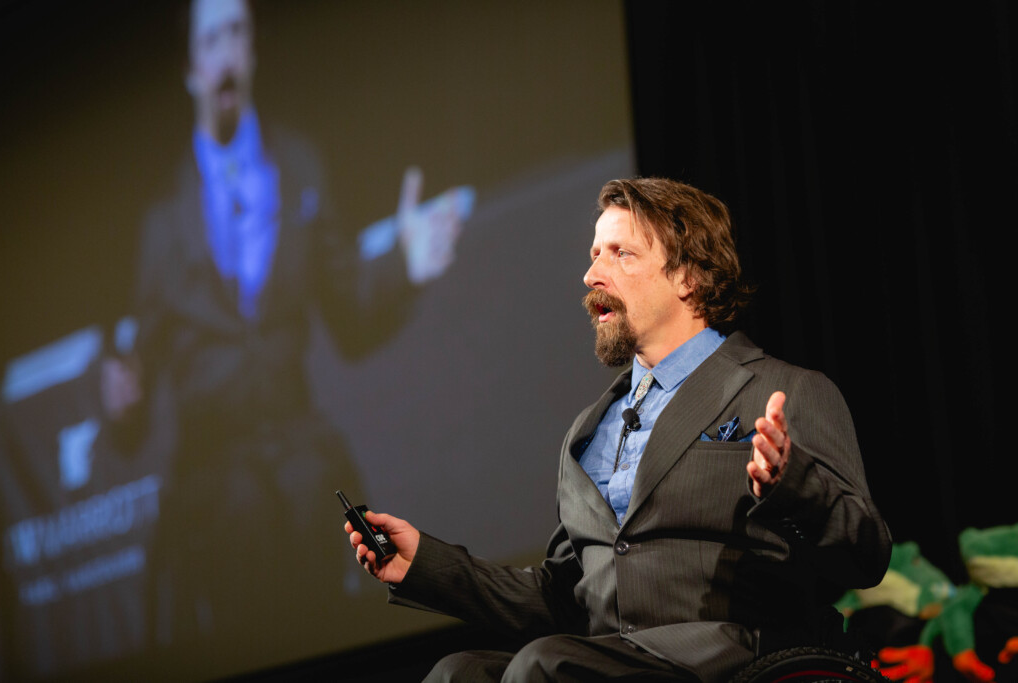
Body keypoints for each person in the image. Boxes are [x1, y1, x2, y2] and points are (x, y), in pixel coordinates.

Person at [346, 177, 892, 682]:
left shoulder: (783, 388)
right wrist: (422, 565)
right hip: (606, 660)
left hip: (731, 658)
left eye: (621, 254)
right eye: (594, 255)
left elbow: (865, 556)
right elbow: (563, 597)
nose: (591, 276)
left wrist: (791, 485)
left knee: (544, 666)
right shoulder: (590, 431)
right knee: (457, 673)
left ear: (688, 276)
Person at [105, 0, 471, 658]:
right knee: (241, 522)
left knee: (319, 520)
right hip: (215, 486)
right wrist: (121, 405)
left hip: (300, 465)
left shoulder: (298, 166)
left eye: (236, 34)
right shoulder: (161, 219)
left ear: (251, 53)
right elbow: (136, 389)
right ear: (192, 67)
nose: (225, 53)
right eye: (210, 39)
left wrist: (404, 270)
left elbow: (350, 321)